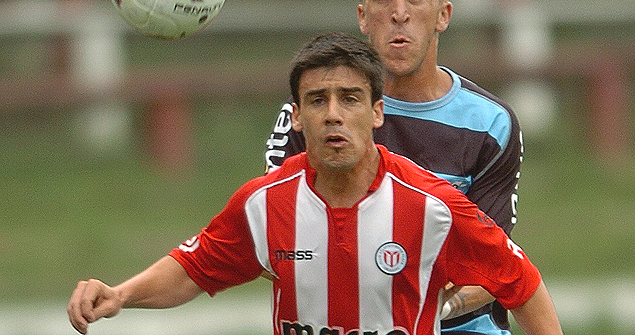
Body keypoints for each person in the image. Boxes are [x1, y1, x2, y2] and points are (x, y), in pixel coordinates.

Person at [67, 32, 563, 335]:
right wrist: (120, 295)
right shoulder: (263, 203)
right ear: (297, 117)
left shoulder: (430, 205)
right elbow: (195, 268)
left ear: (376, 113)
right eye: (317, 100)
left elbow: (522, 283)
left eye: (349, 99)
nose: (333, 115)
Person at [265, 0, 523, 335]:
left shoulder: (491, 124)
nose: (399, 13)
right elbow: (274, 241)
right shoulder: (317, 112)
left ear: (443, 14)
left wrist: (426, 311)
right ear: (363, 16)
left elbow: (497, 267)